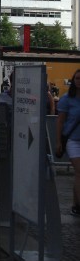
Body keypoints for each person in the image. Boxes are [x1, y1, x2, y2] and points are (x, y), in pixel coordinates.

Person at [56, 69, 80, 216]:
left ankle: (75, 205)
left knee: (78, 174)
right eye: (77, 78)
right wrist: (58, 141)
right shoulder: (67, 99)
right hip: (73, 140)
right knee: (79, 171)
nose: (79, 81)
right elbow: (60, 121)